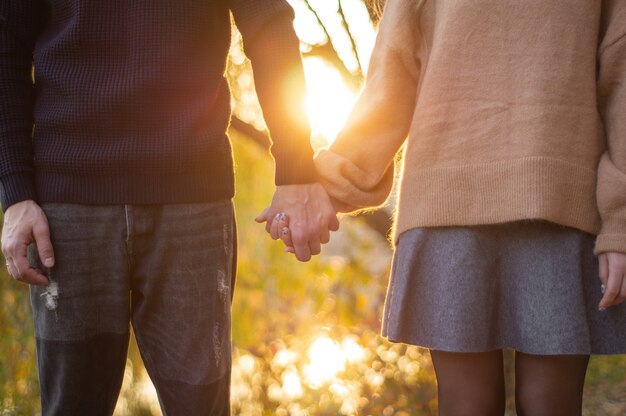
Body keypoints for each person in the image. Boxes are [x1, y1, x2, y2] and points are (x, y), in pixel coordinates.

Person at [261, 0, 626, 414]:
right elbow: (393, 77)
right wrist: (317, 186)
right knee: (469, 406)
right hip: (449, 207)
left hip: (558, 205)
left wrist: (621, 222)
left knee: (550, 405)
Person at [0, 0, 337, 414]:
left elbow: (267, 20)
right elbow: (6, 44)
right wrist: (15, 192)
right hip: (67, 209)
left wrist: (296, 166)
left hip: (193, 203)